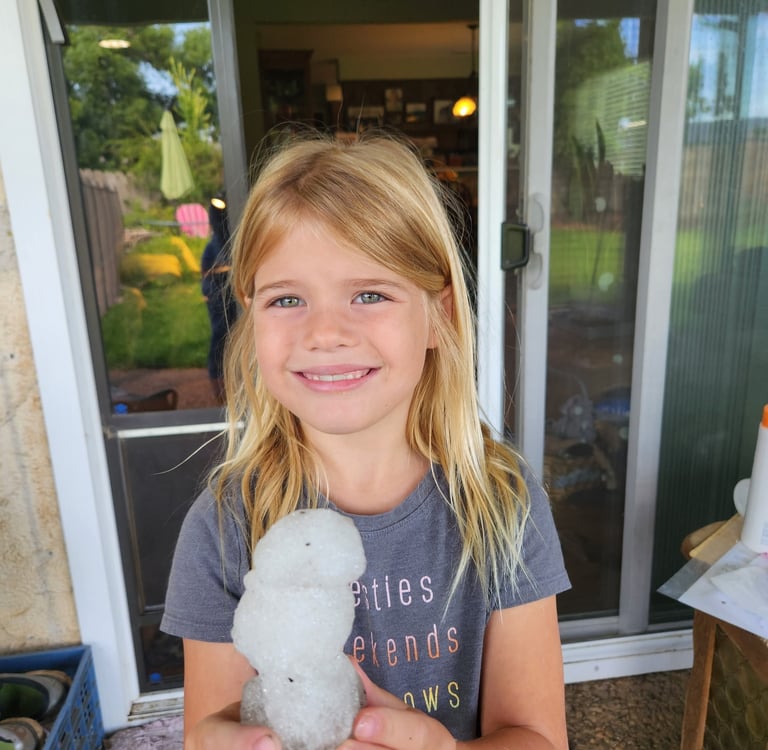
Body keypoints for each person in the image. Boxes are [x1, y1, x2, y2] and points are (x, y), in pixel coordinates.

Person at [161, 132, 571, 750]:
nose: (325, 332)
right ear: (250, 320)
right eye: (287, 299)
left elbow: (537, 737)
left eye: (370, 294)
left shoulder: (502, 507)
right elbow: (214, 726)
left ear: (440, 317)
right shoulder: (224, 531)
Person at [200, 195, 238, 403]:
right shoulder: (214, 246)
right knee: (221, 337)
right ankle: (221, 393)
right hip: (218, 293)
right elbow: (207, 273)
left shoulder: (235, 237)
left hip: (234, 292)